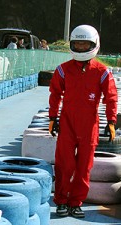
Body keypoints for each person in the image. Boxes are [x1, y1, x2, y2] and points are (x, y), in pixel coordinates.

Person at [48, 25, 118, 218]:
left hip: (90, 125)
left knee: (84, 167)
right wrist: (53, 117)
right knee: (65, 164)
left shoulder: (102, 71)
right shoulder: (62, 70)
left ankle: (76, 202)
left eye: (84, 44)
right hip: (67, 123)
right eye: (77, 44)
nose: (80, 47)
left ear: (93, 45)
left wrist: (111, 121)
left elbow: (111, 97)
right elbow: (55, 94)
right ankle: (61, 201)